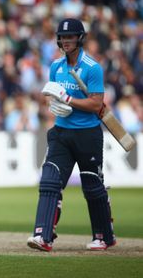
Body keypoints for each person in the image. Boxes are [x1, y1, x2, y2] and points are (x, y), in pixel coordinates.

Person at [27, 18, 116, 252]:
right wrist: (54, 103)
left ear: (80, 38)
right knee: (49, 181)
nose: (66, 41)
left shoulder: (92, 67)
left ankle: (104, 236)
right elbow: (53, 95)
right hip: (61, 133)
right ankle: (42, 236)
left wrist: (69, 100)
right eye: (63, 37)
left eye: (70, 37)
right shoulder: (56, 67)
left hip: (88, 135)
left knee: (92, 186)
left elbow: (97, 104)